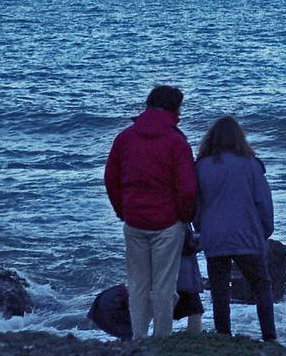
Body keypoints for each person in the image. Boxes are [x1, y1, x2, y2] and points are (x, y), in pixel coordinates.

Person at [104, 85, 197, 340]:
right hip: (167, 222)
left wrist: (123, 211)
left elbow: (111, 179)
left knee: (138, 284)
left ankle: (138, 338)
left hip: (134, 220)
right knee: (165, 286)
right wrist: (185, 217)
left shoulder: (125, 137)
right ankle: (161, 339)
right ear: (174, 108)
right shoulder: (176, 141)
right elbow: (187, 188)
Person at [194, 115, 277, 342]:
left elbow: (196, 206)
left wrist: (201, 228)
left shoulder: (201, 166)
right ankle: (269, 337)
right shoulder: (251, 164)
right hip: (247, 236)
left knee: (220, 290)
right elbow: (263, 202)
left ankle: (223, 337)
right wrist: (265, 231)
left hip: (215, 238)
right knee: (261, 286)